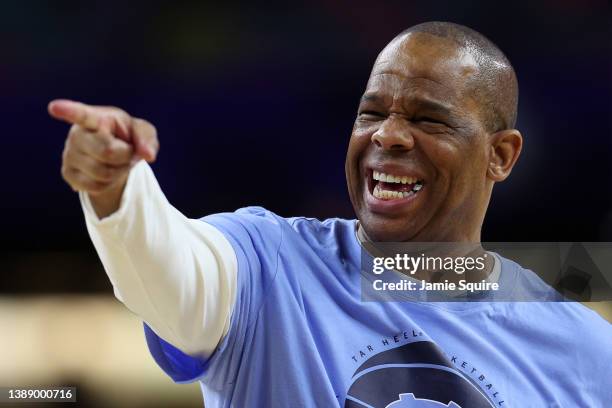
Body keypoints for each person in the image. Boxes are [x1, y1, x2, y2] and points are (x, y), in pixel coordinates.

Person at [49, 22, 610, 408]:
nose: (387, 134)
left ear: (501, 155)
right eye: (371, 112)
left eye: (429, 119)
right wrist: (119, 188)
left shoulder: (584, 351)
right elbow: (167, 264)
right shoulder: (267, 268)